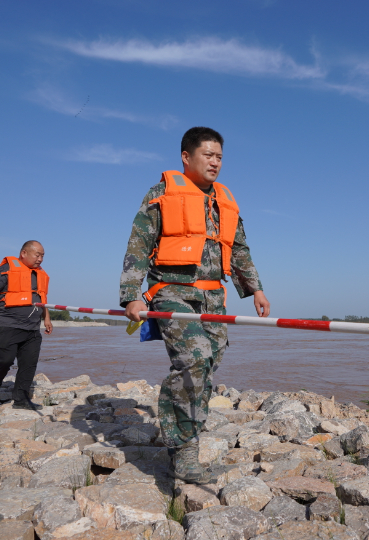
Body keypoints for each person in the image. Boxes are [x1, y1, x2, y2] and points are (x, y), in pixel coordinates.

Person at [121, 126, 270, 484]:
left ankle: (183, 438)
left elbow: (240, 249)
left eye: (220, 156)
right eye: (208, 155)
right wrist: (131, 293)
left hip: (213, 296)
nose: (216, 162)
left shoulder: (225, 199)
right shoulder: (161, 194)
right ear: (186, 157)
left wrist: (257, 289)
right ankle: (185, 453)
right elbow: (139, 243)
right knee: (194, 359)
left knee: (207, 365)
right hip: (171, 292)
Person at [0, 240, 52, 411]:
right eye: (37, 255)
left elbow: (41, 299)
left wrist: (46, 319)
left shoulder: (40, 274)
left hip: (32, 328)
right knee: (3, 360)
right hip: (9, 325)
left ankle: (21, 398)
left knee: (29, 363)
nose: (40, 259)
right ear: (24, 253)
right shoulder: (7, 269)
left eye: (42, 256)